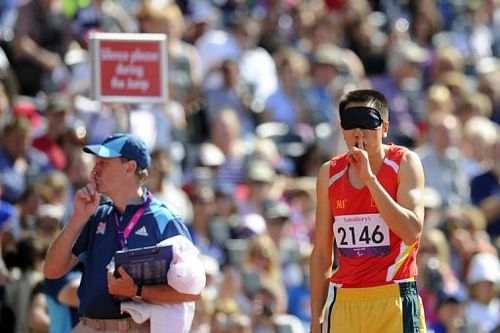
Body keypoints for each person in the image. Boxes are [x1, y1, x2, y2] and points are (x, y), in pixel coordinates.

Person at [43, 133, 200, 333]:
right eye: (96, 162)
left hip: (135, 328)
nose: (94, 169)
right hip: (89, 326)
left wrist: (137, 291)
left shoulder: (163, 219)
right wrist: (77, 218)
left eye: (103, 162)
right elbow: (51, 271)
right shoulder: (96, 214)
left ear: (130, 168)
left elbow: (192, 292)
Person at [309, 89, 426, 333]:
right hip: (345, 301)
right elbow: (321, 253)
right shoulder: (329, 173)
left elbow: (412, 231)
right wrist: (315, 317)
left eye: (367, 122)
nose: (358, 132)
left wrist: (370, 179)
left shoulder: (405, 163)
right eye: (351, 123)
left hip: (393, 296)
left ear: (384, 128)